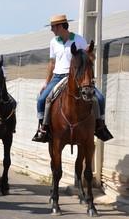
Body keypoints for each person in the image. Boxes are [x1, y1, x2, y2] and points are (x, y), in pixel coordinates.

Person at [32, 14, 113, 142]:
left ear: (61, 26)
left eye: (53, 27)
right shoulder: (53, 42)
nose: (51, 30)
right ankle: (43, 129)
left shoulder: (79, 40)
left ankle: (100, 127)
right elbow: (52, 63)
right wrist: (46, 83)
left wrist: (90, 55)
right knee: (42, 99)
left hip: (76, 77)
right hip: (58, 77)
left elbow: (89, 57)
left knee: (100, 98)